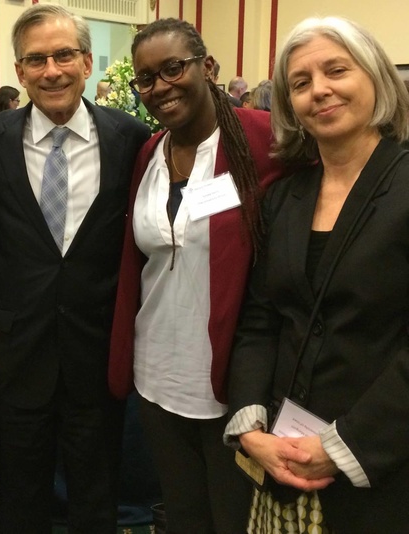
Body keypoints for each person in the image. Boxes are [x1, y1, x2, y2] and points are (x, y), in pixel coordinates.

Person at [225, 16, 409, 532]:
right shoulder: (285, 196)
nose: (320, 91)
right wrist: (250, 424)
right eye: (300, 83)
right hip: (280, 462)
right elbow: (261, 321)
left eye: (336, 71)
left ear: (374, 76)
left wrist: (343, 445)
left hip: (382, 468)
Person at [0, 5, 149, 532]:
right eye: (36, 59)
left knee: (97, 491)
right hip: (18, 351)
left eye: (64, 55)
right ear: (20, 70)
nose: (51, 70)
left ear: (88, 61)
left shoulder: (131, 139)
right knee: (20, 491)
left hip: (96, 350)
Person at [107, 18, 285, 533]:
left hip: (232, 378)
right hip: (158, 374)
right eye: (146, 78)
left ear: (207, 67)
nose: (160, 86)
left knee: (234, 518)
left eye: (173, 68)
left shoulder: (264, 139)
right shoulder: (150, 154)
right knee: (183, 514)